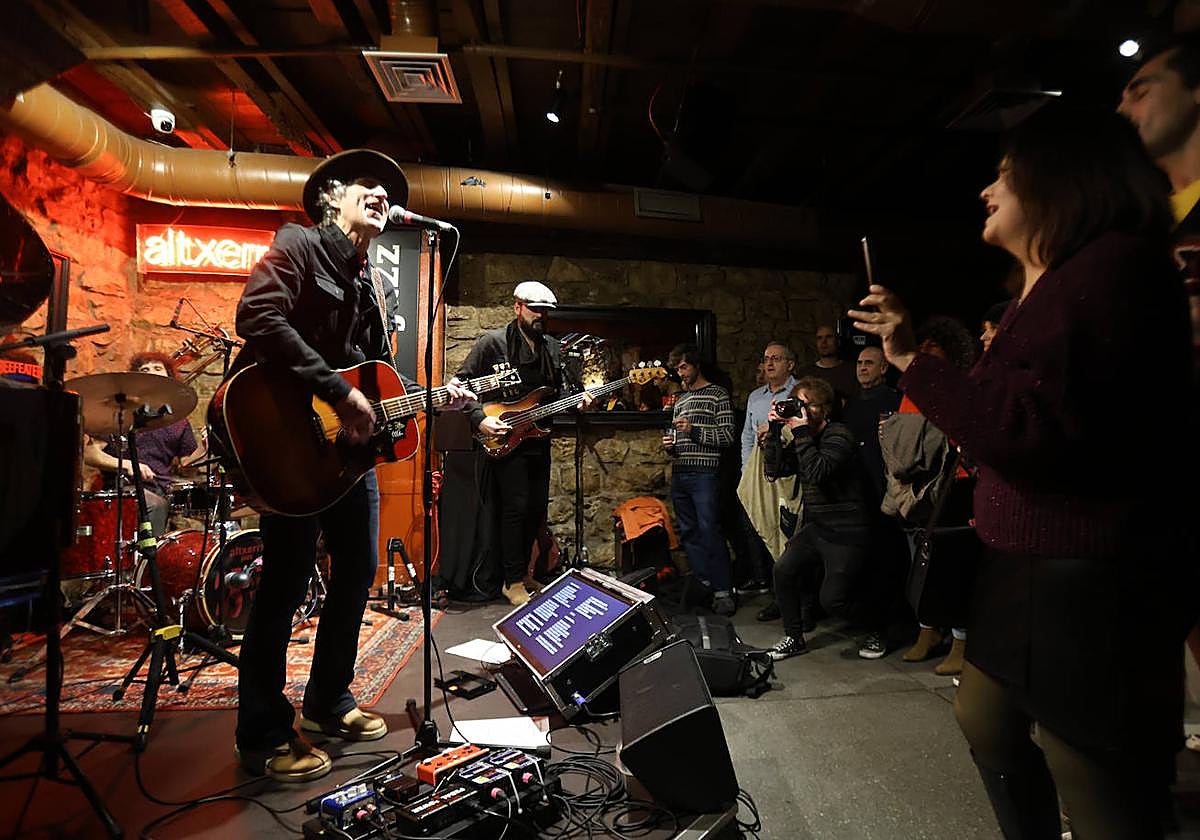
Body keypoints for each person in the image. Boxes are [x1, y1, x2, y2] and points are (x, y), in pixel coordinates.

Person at [850, 106, 1195, 838]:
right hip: (1028, 560)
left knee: (1091, 768)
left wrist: (912, 363)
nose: (986, 190)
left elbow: (1018, 430)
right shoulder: (1051, 284)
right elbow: (996, 419)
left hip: (1087, 572)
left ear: (1061, 180)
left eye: (1005, 175)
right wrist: (913, 355)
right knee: (985, 717)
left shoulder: (1111, 269)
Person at [227, 149, 473, 783]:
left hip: (344, 460)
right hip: (288, 442)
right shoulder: (300, 245)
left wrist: (435, 396)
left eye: (388, 189)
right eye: (368, 184)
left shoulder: (370, 283)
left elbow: (374, 376)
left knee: (358, 571)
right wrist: (337, 393)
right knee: (285, 583)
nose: (382, 194)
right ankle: (261, 733)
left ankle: (327, 702)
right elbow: (256, 315)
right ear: (331, 197)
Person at [452, 281, 593, 607]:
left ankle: (524, 573)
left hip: (538, 439)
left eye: (546, 311)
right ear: (517, 307)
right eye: (535, 309)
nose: (541, 316)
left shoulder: (552, 348)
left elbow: (558, 394)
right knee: (514, 509)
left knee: (536, 508)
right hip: (506, 436)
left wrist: (578, 402)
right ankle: (511, 581)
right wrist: (480, 419)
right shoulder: (493, 343)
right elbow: (461, 383)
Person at [764, 376, 872, 660]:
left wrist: (800, 432)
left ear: (825, 409)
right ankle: (793, 637)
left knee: (833, 600)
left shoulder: (839, 435)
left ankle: (880, 626)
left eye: (808, 405)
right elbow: (773, 470)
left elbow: (816, 472)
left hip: (847, 531)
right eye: (797, 404)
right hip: (819, 527)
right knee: (783, 571)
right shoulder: (805, 438)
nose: (802, 411)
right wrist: (774, 431)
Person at [82, 352, 206, 535]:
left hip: (163, 488)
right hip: (125, 489)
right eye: (145, 370)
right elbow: (89, 454)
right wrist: (127, 465)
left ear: (169, 377)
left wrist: (204, 446)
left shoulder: (178, 420)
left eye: (157, 368)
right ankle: (148, 554)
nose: (152, 372)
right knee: (155, 505)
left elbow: (187, 466)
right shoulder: (120, 414)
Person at [662, 344, 737, 616]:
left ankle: (723, 591)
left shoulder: (718, 394)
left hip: (705, 474)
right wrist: (670, 446)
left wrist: (693, 430)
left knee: (710, 531)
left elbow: (727, 436)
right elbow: (677, 439)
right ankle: (703, 586)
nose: (681, 373)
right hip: (680, 472)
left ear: (696, 365)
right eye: (677, 369)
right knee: (689, 533)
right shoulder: (680, 400)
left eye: (684, 367)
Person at [737, 341, 796, 604]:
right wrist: (746, 471)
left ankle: (791, 596)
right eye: (766, 358)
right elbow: (747, 436)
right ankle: (772, 591)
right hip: (757, 475)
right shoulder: (756, 397)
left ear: (790, 364)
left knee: (786, 533)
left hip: (786, 475)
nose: (769, 363)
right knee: (758, 530)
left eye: (776, 358)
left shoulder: (798, 392)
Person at [796, 324, 858, 406]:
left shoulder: (852, 370)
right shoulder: (805, 372)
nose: (824, 342)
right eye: (819, 338)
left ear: (838, 341)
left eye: (829, 337)